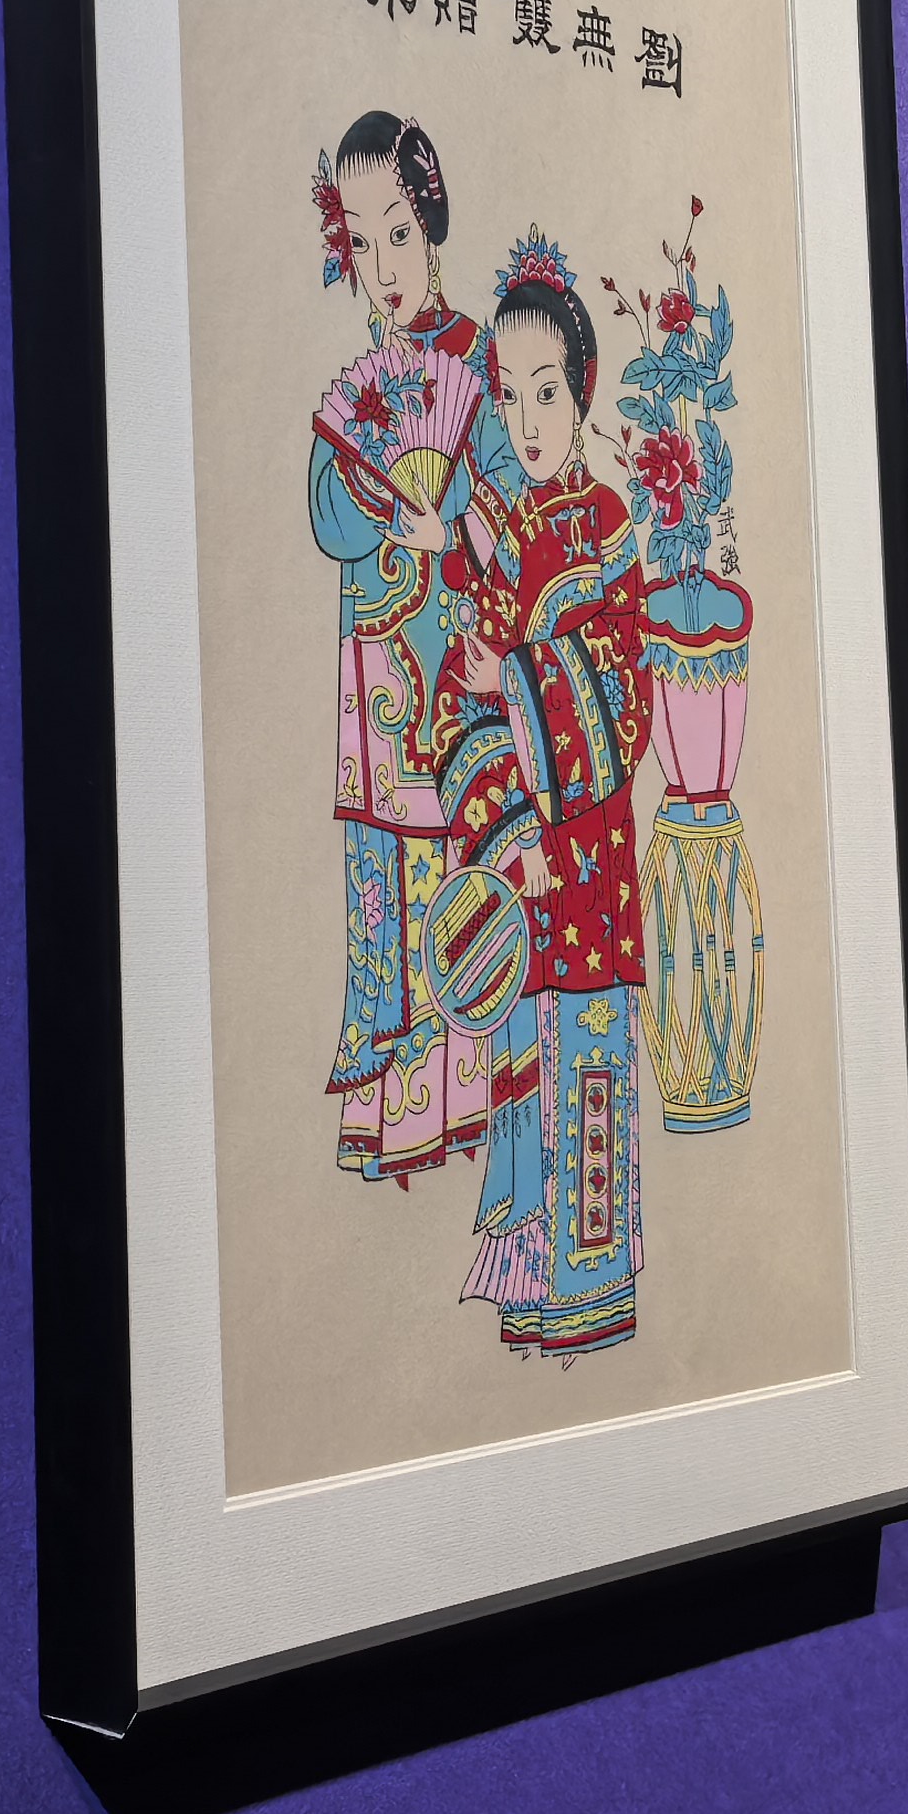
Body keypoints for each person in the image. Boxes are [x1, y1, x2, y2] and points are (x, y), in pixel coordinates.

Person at [445, 236, 652, 1355]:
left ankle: (593, 1292)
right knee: (524, 1089)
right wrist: (499, 831)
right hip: (518, 874)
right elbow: (454, 711)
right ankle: (533, 1299)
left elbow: (625, 700)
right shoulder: (496, 543)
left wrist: (517, 681)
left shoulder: (606, 528)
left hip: (589, 867)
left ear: (582, 393)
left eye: (547, 393)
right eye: (509, 395)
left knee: (588, 1068)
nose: (528, 422)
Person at [304, 113, 519, 1185]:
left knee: (458, 879)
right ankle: (389, 1123)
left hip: (454, 674)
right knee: (383, 891)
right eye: (360, 239)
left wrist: (454, 525)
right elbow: (326, 514)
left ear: (429, 222)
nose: (383, 267)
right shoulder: (361, 386)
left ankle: (463, 1116)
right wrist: (378, 499)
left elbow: (513, 510)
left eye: (398, 233)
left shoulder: (480, 365)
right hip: (376, 673)